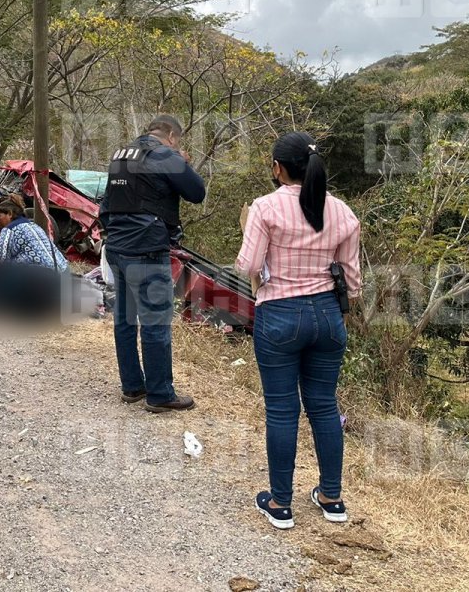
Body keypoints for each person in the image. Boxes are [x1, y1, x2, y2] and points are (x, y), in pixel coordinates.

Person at [235, 131, 361, 531]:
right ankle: (331, 497)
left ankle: (280, 503)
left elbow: (248, 266)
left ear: (278, 168)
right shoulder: (342, 211)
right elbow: (352, 280)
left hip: (280, 315)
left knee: (282, 409)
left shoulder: (265, 207)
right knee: (323, 405)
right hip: (328, 317)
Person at [99, 115, 204, 413]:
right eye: (177, 141)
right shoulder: (166, 155)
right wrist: (182, 162)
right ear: (171, 136)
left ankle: (132, 386)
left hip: (117, 247)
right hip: (146, 249)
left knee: (125, 319)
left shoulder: (120, 155)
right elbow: (197, 192)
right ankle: (159, 394)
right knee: (155, 322)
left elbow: (105, 205)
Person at [0, 195, 69, 271]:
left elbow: (2, 262)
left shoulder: (8, 230)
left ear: (10, 214)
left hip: (43, 276)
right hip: (64, 272)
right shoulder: (33, 226)